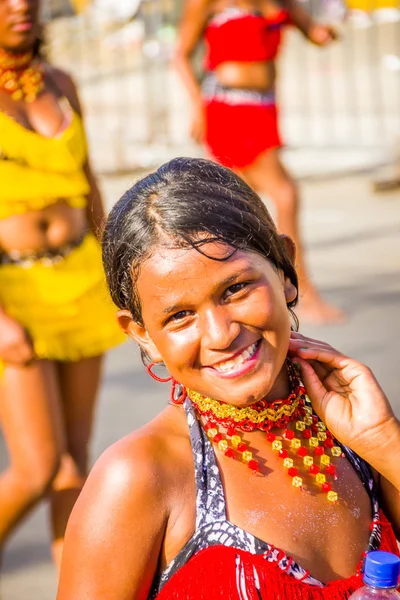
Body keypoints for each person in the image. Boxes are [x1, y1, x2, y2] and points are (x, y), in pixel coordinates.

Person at [57, 157, 400, 599]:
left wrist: (385, 441)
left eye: (235, 288)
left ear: (284, 270)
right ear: (142, 334)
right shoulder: (138, 478)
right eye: (180, 316)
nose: (221, 334)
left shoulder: (353, 429)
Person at [0, 0, 124, 566]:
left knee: (75, 460)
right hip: (14, 293)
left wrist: (118, 265)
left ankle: (74, 585)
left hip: (81, 277)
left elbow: (89, 181)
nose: (21, 4)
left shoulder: (61, 83)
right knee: (37, 466)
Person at [174, 0, 344, 324]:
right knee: (284, 195)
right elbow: (181, 54)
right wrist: (196, 107)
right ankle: (300, 293)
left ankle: (236, 292)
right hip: (228, 104)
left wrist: (324, 33)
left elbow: (314, 31)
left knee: (239, 204)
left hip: (265, 106)